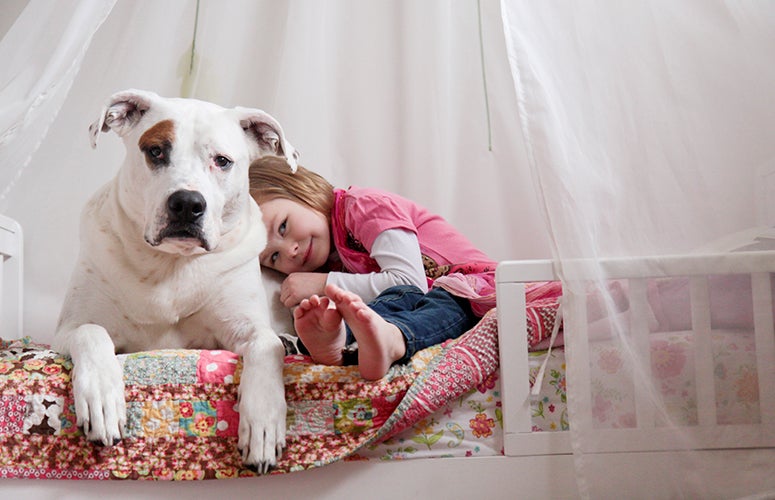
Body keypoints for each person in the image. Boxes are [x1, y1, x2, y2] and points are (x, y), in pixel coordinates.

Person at [248, 156, 500, 380]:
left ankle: (393, 340)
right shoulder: (330, 259)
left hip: (475, 292)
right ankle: (333, 346)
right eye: (274, 257)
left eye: (283, 227)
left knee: (439, 299)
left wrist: (323, 283)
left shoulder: (364, 207)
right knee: (357, 314)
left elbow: (409, 283)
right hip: (413, 309)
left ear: (301, 190)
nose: (290, 251)